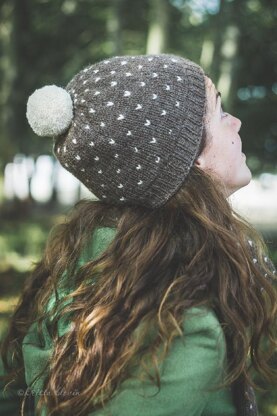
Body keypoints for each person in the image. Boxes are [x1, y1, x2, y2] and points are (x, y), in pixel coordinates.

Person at [0, 54, 276, 416]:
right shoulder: (178, 323)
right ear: (188, 152)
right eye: (221, 113)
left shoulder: (91, 275)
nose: (236, 122)